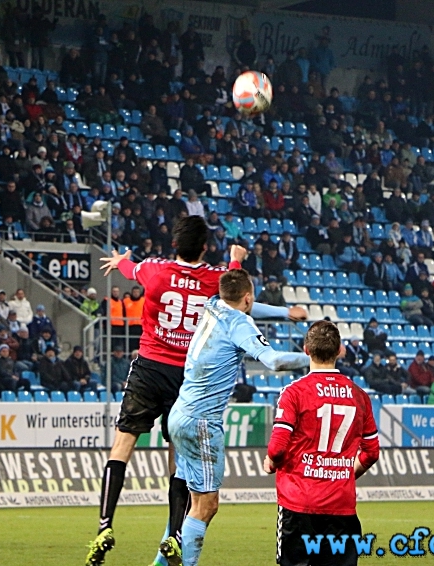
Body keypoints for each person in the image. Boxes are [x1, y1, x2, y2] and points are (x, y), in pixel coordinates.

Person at [86, 216, 305, 566]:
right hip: (186, 380)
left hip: (148, 366)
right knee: (179, 465)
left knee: (122, 445)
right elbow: (237, 299)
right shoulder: (214, 281)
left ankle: (105, 524)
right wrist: (269, 297)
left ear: (175, 242)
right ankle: (173, 534)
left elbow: (130, 268)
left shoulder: (154, 270)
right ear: (205, 246)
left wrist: (121, 261)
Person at [164, 269, 311, 566]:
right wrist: (315, 359)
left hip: (179, 413)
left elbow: (243, 301)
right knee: (207, 505)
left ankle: (163, 558)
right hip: (202, 422)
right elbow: (275, 360)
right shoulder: (240, 322)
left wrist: (284, 313)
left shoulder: (212, 303)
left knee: (191, 501)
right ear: (247, 297)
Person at [265, 320, 379, 566]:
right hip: (341, 506)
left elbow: (277, 448)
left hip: (299, 504)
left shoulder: (293, 393)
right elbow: (371, 453)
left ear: (306, 350)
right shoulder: (359, 396)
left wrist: (272, 462)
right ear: (340, 350)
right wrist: (346, 474)